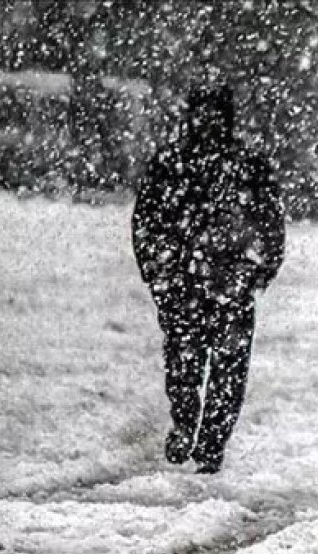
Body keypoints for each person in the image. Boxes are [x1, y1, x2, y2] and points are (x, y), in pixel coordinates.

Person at [132, 83, 285, 474]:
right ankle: (207, 441)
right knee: (224, 370)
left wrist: (160, 272)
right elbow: (271, 228)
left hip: (192, 283)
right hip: (221, 284)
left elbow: (146, 224)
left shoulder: (173, 165)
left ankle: (191, 428)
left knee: (188, 362)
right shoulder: (244, 166)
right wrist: (255, 273)